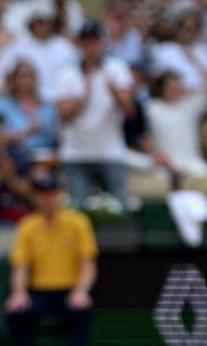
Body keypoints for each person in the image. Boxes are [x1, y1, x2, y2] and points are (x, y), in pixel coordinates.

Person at [6, 173, 97, 346]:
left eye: (51, 194)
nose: (46, 199)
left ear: (59, 195)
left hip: (70, 290)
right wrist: (19, 293)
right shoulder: (27, 226)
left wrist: (81, 291)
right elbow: (21, 267)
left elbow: (87, 264)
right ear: (36, 197)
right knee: (18, 313)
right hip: (40, 291)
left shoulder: (78, 222)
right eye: (41, 194)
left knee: (81, 310)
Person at [54, 20, 135, 207]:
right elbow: (64, 115)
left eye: (94, 40)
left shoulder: (117, 69)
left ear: (102, 42)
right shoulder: (66, 74)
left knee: (119, 209)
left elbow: (129, 110)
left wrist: (114, 92)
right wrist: (84, 97)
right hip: (76, 153)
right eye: (86, 41)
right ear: (79, 44)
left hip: (111, 151)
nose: (91, 46)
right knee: (78, 210)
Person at [145, 70, 207, 179]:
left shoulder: (189, 105)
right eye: (172, 87)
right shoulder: (151, 109)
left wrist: (192, 57)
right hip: (165, 165)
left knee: (206, 175)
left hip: (192, 162)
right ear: (162, 88)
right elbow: (146, 139)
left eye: (178, 86)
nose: (176, 89)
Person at [0, 60, 58, 167]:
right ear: (14, 80)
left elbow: (52, 137)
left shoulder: (47, 107)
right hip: (13, 158)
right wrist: (27, 131)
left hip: (44, 160)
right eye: (23, 76)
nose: (27, 80)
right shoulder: (1, 105)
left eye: (30, 76)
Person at [9, 2, 79, 103]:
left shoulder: (65, 47)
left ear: (52, 23)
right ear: (32, 23)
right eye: (39, 22)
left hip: (59, 100)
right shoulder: (20, 46)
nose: (42, 26)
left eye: (46, 22)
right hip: (28, 101)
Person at [150, 8, 207, 97]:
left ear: (198, 31)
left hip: (201, 98)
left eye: (191, 29)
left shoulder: (205, 50)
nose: (187, 33)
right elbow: (154, 83)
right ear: (177, 29)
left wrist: (195, 61)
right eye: (184, 28)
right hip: (173, 99)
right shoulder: (164, 50)